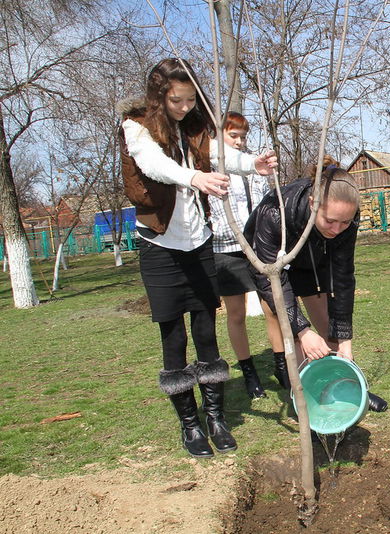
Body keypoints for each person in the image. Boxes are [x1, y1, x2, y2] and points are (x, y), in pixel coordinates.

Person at [119, 58, 277, 458]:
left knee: (207, 333)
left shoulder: (196, 128)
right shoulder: (135, 125)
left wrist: (253, 165)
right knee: (174, 339)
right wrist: (194, 178)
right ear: (159, 96)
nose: (185, 107)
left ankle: (216, 417)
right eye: (177, 100)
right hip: (159, 246)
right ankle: (190, 426)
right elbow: (153, 165)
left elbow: (224, 158)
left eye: (191, 99)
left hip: (199, 244)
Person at [244, 155, 388, 413]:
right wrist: (302, 331)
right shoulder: (275, 212)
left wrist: (346, 340)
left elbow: (343, 276)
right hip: (274, 262)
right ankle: (306, 395)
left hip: (313, 258)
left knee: (329, 329)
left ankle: (348, 387)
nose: (337, 228)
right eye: (330, 220)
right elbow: (268, 278)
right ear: (313, 204)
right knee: (298, 334)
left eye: (345, 222)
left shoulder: (345, 220)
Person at [208, 111, 283, 399]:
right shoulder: (212, 167)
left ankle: (281, 365)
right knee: (236, 313)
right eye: (233, 135)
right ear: (219, 136)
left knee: (273, 308)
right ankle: (249, 372)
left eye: (242, 136)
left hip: (258, 247)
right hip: (225, 249)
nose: (239, 141)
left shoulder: (254, 165)